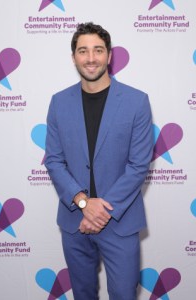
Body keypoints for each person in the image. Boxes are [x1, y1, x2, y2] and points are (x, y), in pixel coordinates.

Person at [45, 22, 153, 300]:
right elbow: (54, 160)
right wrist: (83, 202)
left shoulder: (136, 101)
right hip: (74, 222)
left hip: (119, 221)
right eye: (83, 50)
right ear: (73, 57)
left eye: (98, 50)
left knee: (124, 295)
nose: (91, 58)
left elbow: (138, 165)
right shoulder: (58, 102)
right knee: (82, 294)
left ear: (109, 55)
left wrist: (100, 210)